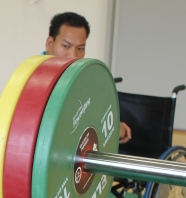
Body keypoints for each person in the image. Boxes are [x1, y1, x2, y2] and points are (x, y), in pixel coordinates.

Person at [44, 11, 132, 145]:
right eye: (66, 46)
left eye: (80, 48)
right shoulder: (34, 79)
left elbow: (91, 117)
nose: (73, 55)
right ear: (50, 43)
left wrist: (114, 127)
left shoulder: (82, 78)